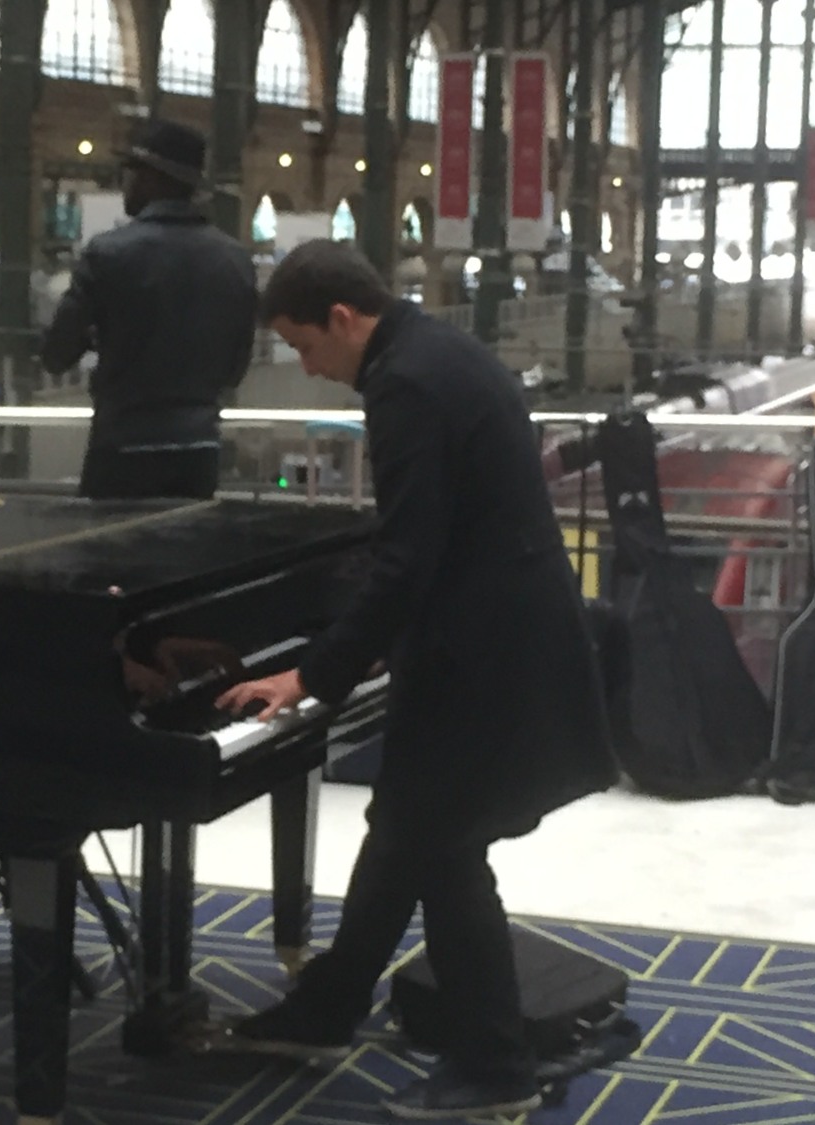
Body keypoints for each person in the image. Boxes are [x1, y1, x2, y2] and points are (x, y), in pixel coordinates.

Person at [214, 240, 616, 1120]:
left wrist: (311, 672)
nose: (308, 368)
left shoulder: (403, 386)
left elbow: (403, 560)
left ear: (343, 319)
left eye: (305, 345)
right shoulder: (440, 349)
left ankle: (494, 1067)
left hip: (482, 653)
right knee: (403, 827)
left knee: (442, 847)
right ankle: (328, 1006)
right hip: (495, 637)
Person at [40, 119, 257, 500]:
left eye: (133, 173)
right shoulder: (235, 259)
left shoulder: (107, 253)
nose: (126, 183)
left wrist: (97, 339)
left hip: (123, 447)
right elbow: (235, 368)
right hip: (199, 449)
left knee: (114, 550)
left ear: (153, 179)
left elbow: (57, 354)